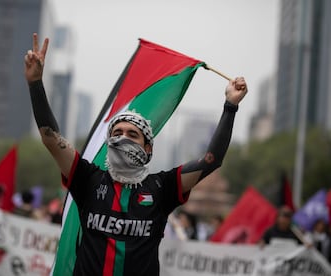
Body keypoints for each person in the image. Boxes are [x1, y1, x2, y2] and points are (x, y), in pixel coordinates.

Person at [24, 33, 248, 275]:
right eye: (116, 132)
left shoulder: (163, 188)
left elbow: (211, 160)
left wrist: (230, 106)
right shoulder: (87, 179)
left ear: (148, 147)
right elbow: (49, 136)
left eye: (132, 134)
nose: (122, 138)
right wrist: (35, 83)